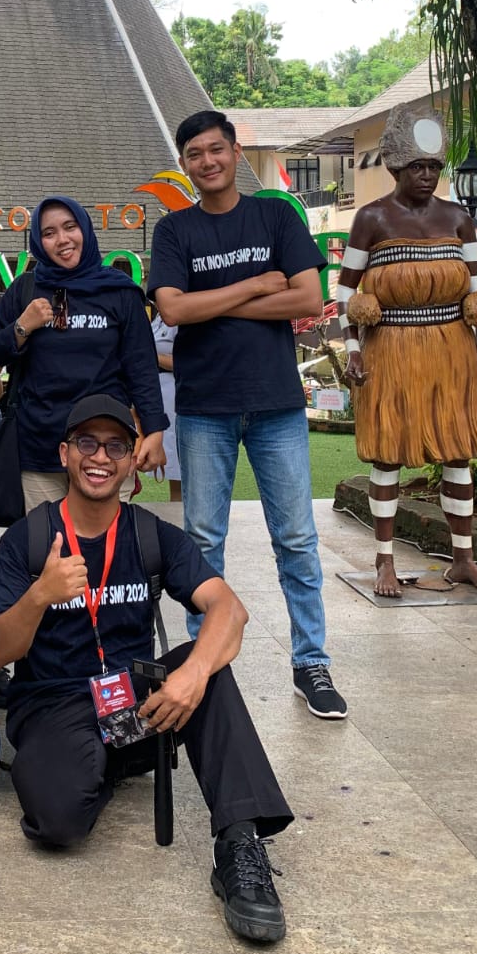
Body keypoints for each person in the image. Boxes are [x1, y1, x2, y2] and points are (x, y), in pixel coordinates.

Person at [0, 394, 293, 943]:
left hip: (130, 694)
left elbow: (230, 610)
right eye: (86, 443)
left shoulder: (150, 534)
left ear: (131, 462)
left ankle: (240, 846)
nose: (99, 457)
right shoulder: (28, 539)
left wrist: (192, 674)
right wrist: (40, 595)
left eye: (115, 446)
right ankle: (105, 764)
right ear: (64, 454)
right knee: (56, 822)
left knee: (211, 665)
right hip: (54, 701)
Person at [148, 111, 347, 719]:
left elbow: (309, 298)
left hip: (275, 405)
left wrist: (213, 304)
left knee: (296, 538)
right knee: (204, 541)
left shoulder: (276, 215)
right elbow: (173, 312)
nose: (207, 162)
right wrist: (257, 286)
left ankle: (310, 661)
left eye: (216, 150)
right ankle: (202, 664)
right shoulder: (174, 230)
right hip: (205, 407)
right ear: (185, 164)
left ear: (236, 153)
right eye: (195, 155)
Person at [336, 108, 477, 596]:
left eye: (434, 166)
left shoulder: (458, 219)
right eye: (417, 167)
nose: (428, 176)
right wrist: (353, 348)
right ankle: (384, 561)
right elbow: (344, 291)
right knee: (388, 455)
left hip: (452, 351)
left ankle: (463, 560)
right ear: (396, 167)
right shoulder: (371, 219)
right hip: (389, 351)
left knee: (458, 456)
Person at [0, 195, 166, 511]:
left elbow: (142, 368)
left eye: (70, 227)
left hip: (105, 445)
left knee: (106, 548)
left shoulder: (119, 291)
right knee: (45, 548)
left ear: (85, 229)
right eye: (49, 233)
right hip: (39, 444)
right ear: (39, 242)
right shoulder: (26, 289)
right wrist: (22, 327)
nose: (62, 239)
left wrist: (154, 431)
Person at [150, 310, 183, 501]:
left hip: (178, 395)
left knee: (183, 471)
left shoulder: (182, 315)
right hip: (162, 397)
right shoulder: (160, 316)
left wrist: (150, 357)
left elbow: (189, 361)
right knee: (174, 473)